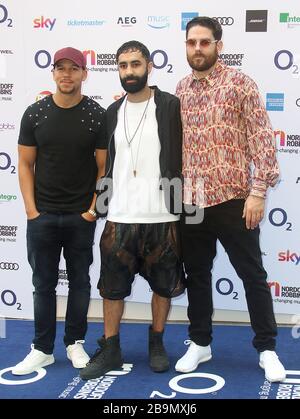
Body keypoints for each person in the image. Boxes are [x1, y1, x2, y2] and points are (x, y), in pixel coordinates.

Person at [175, 17, 286, 383]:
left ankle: (267, 348)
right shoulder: (181, 89)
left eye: (205, 42)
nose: (197, 49)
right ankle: (200, 342)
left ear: (218, 45)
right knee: (198, 274)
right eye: (192, 43)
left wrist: (258, 192)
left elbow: (262, 138)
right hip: (191, 199)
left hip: (235, 198)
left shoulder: (241, 84)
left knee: (252, 275)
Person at [80, 40, 184, 380]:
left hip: (161, 214)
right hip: (120, 215)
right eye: (123, 66)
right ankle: (111, 348)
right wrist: (99, 205)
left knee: (163, 285)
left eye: (135, 64)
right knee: (111, 287)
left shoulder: (170, 105)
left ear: (149, 66)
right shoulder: (112, 112)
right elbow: (106, 165)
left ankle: (157, 341)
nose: (129, 71)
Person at [12, 47, 107, 375]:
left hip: (81, 217)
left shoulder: (97, 115)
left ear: (84, 73)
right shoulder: (34, 113)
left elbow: (104, 170)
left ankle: (74, 343)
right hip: (43, 217)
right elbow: (25, 164)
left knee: (80, 282)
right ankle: (42, 349)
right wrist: (31, 210)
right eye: (60, 68)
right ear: (53, 73)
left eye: (74, 69)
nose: (67, 74)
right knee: (43, 284)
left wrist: (94, 211)